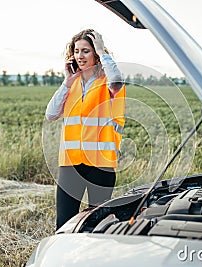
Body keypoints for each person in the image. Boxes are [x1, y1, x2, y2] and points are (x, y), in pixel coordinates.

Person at [45, 29, 126, 230]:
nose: (80, 56)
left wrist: (101, 50)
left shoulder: (107, 83)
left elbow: (116, 80)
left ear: (96, 54)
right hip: (70, 164)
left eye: (86, 51)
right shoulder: (71, 85)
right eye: (76, 51)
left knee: (96, 225)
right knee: (63, 224)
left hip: (101, 164)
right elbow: (51, 114)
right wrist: (67, 81)